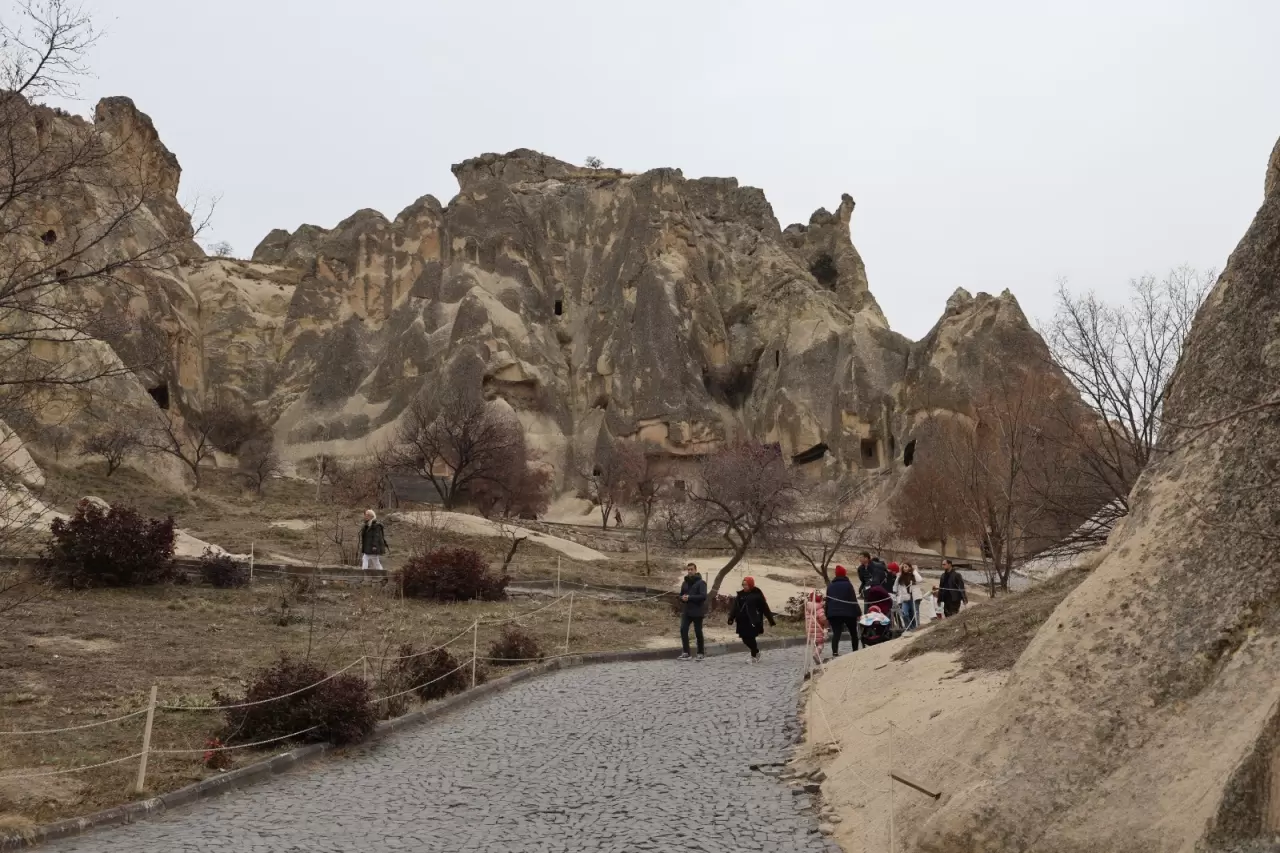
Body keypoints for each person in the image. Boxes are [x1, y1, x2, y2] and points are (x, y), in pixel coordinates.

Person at [727, 576, 775, 663]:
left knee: (751, 638)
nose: (744, 586)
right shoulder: (740, 595)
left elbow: (765, 608)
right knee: (744, 639)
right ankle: (756, 651)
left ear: (750, 585)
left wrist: (771, 620)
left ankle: (754, 656)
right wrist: (731, 618)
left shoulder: (756, 595)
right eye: (743, 584)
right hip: (741, 620)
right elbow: (735, 607)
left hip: (752, 620)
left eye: (746, 585)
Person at [824, 565, 862, 656]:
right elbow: (853, 600)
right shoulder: (848, 585)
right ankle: (855, 651)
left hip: (834, 613)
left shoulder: (830, 586)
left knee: (836, 633)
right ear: (844, 574)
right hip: (849, 613)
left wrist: (827, 614)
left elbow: (828, 601)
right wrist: (858, 613)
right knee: (853, 633)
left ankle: (835, 652)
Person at [678, 563, 707, 660]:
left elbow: (703, 596)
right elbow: (681, 595)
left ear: (695, 570)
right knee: (683, 629)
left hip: (697, 611)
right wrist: (682, 598)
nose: (690, 571)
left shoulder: (701, 583)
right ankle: (686, 652)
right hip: (687, 611)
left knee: (698, 631)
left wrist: (690, 597)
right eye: (688, 569)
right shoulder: (685, 583)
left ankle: (700, 653)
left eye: (691, 569)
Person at [803, 590, 828, 668]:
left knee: (814, 643)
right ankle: (816, 654)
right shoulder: (819, 608)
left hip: (809, 630)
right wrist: (826, 624)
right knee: (821, 644)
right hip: (818, 629)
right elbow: (822, 619)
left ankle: (816, 656)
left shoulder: (807, 608)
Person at [897, 563, 924, 630]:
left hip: (914, 597)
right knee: (904, 613)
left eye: (906, 567)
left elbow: (920, 580)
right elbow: (899, 590)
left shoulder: (914, 575)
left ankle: (916, 627)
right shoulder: (901, 577)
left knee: (915, 613)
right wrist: (899, 601)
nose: (904, 568)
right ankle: (909, 627)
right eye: (903, 567)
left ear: (909, 567)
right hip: (905, 598)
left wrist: (914, 571)